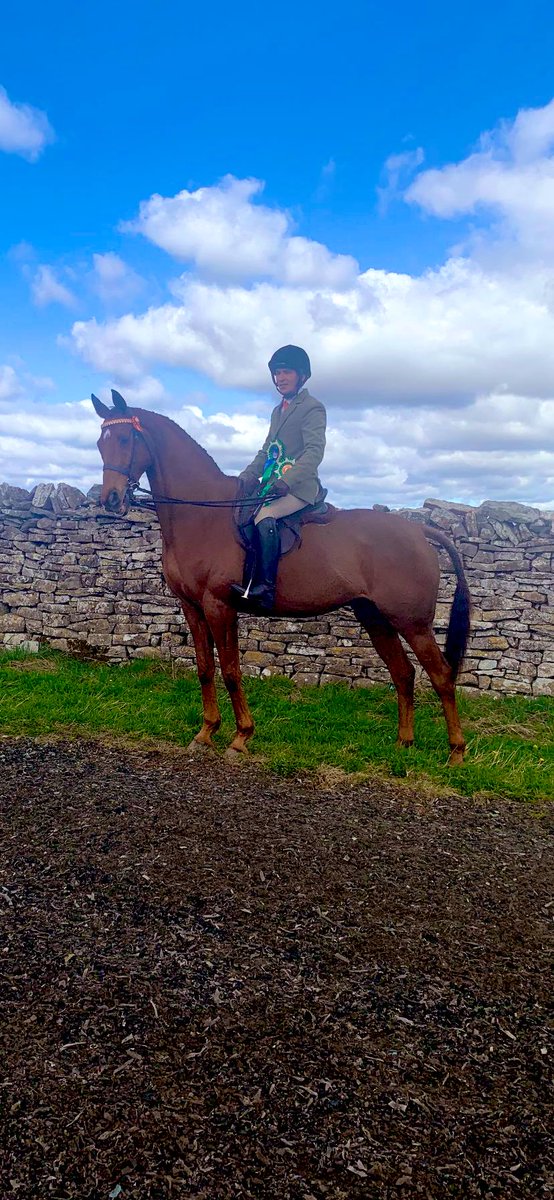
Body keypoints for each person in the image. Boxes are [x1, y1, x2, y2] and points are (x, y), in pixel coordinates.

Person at [230, 344, 327, 613]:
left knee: (264, 516)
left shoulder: (312, 408)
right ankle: (248, 579)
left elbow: (314, 452)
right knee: (243, 512)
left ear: (302, 376)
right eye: (277, 373)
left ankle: (267, 589)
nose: (280, 378)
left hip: (299, 488)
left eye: (286, 372)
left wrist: (288, 481)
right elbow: (267, 451)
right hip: (274, 484)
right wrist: (248, 475)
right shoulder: (278, 410)